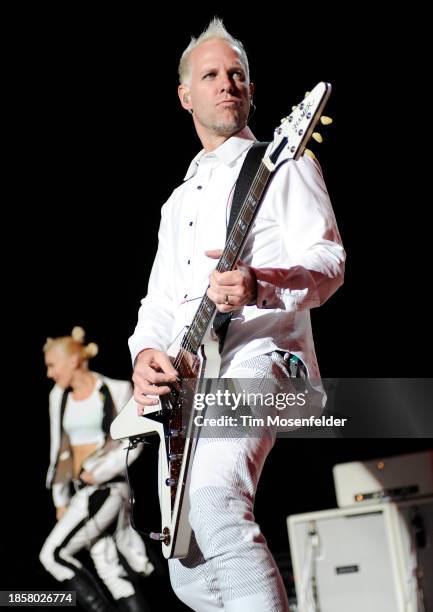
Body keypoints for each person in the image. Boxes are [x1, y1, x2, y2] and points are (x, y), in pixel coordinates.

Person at [129, 18, 345, 612]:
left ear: (249, 89)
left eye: (237, 74)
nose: (227, 83)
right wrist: (147, 357)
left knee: (216, 496)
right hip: (193, 385)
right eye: (211, 75)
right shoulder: (178, 202)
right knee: (188, 566)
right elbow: (157, 305)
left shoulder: (282, 164)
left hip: (267, 358)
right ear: (185, 96)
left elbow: (329, 261)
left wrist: (261, 284)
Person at [39, 327, 153, 612]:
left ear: (72, 361)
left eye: (53, 365)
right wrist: (60, 499)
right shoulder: (59, 396)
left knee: (53, 555)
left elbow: (135, 443)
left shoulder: (116, 389)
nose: (50, 373)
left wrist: (100, 472)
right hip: (82, 491)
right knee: (111, 571)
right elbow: (59, 449)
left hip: (108, 488)